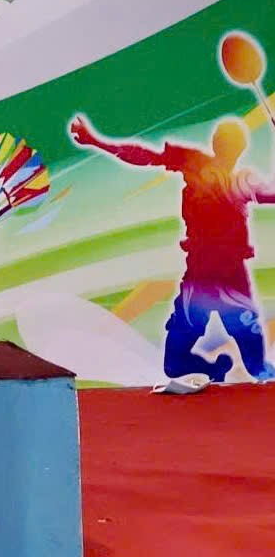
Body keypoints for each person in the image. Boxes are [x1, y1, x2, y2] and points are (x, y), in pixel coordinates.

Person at [69, 114, 274, 384]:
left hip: (230, 279)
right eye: (220, 138)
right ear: (215, 142)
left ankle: (243, 374)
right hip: (198, 278)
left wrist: (97, 142)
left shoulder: (242, 181)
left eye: (227, 141)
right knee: (175, 365)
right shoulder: (194, 163)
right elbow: (144, 156)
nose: (221, 143)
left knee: (257, 367)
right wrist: (98, 142)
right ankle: (218, 369)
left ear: (237, 148)